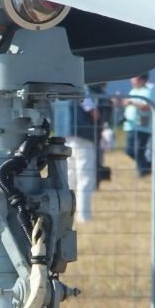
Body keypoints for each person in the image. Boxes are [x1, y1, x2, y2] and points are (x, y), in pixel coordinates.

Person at [53, 91, 100, 222]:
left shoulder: (57, 93)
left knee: (69, 176)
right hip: (82, 135)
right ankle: (83, 215)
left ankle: (66, 211)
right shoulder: (81, 90)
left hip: (64, 136)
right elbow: (93, 112)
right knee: (85, 176)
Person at [119, 73, 155, 176]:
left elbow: (147, 106)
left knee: (139, 151)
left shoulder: (150, 90)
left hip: (143, 125)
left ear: (142, 79)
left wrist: (131, 103)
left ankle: (144, 171)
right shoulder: (133, 90)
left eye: (134, 78)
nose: (131, 80)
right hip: (130, 125)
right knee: (130, 150)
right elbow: (128, 104)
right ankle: (149, 167)